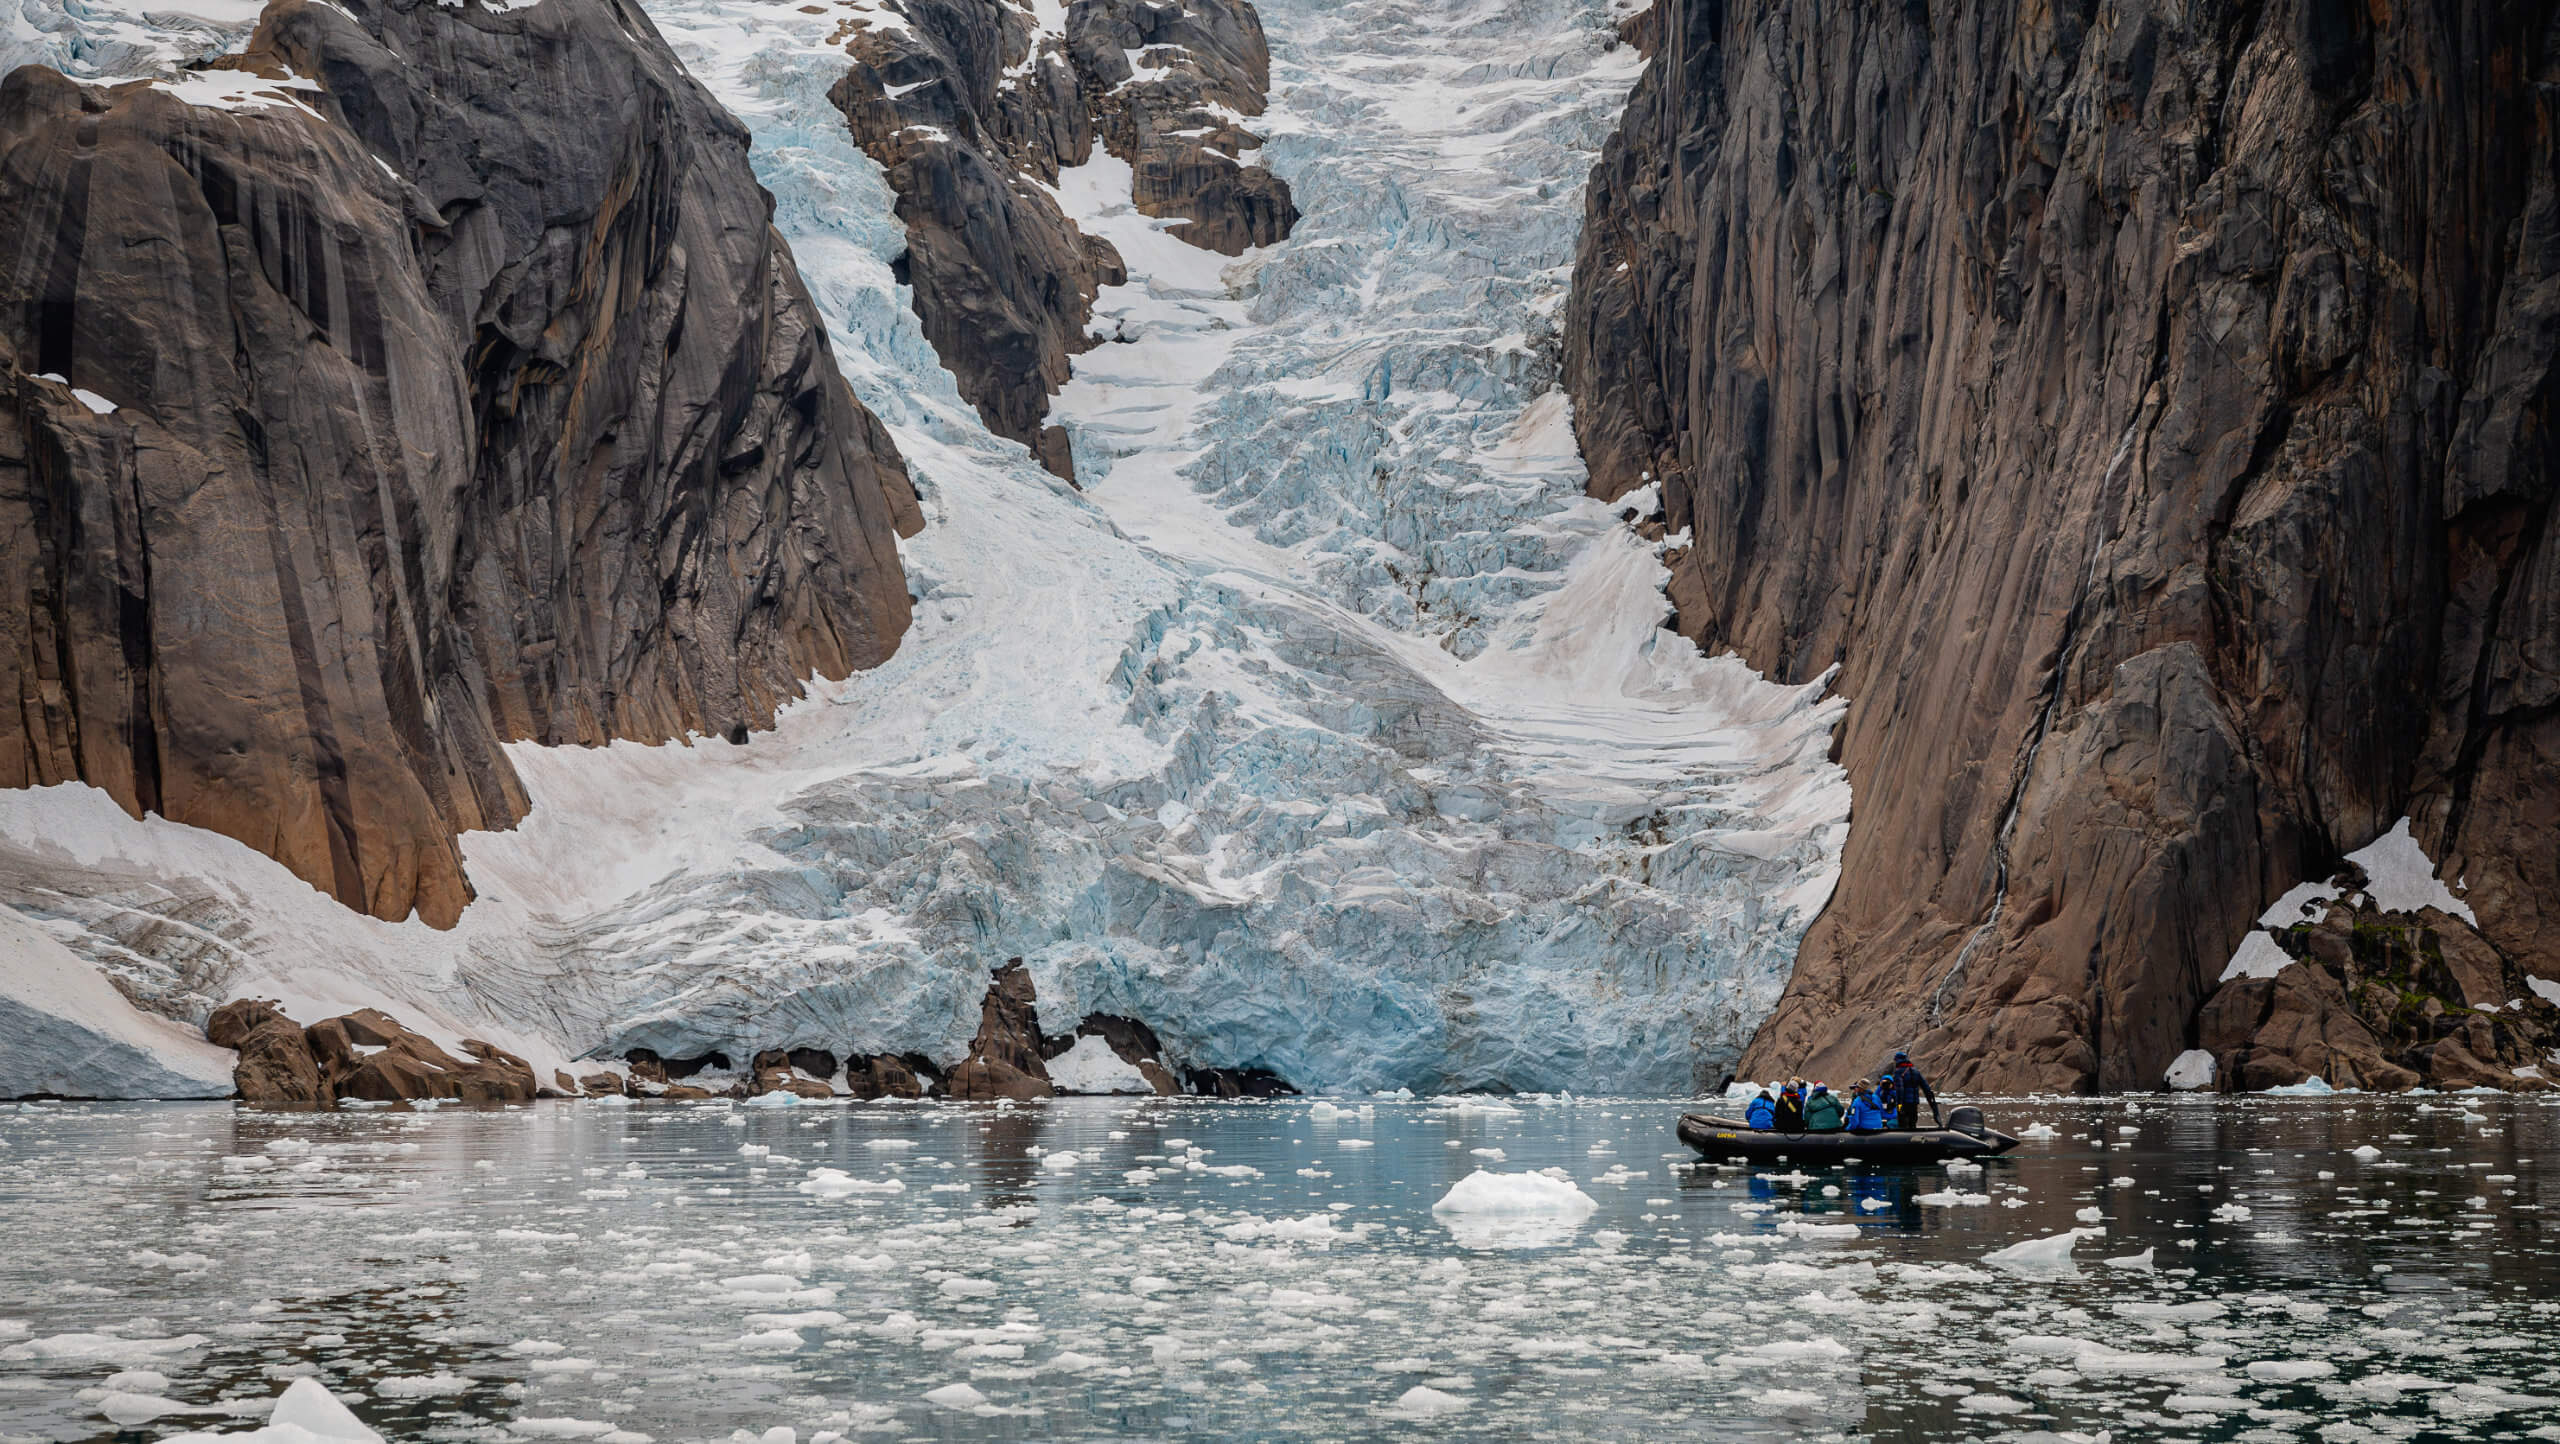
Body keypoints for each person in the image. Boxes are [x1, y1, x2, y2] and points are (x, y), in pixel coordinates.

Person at [1883, 1050, 1940, 1129]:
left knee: (1903, 1125)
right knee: (1912, 1124)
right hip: (1914, 1103)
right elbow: (1926, 1088)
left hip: (1904, 1104)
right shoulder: (1916, 1072)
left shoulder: (1899, 1072)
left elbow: (1900, 1091)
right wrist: (1933, 1105)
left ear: (1897, 1060)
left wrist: (1899, 1107)